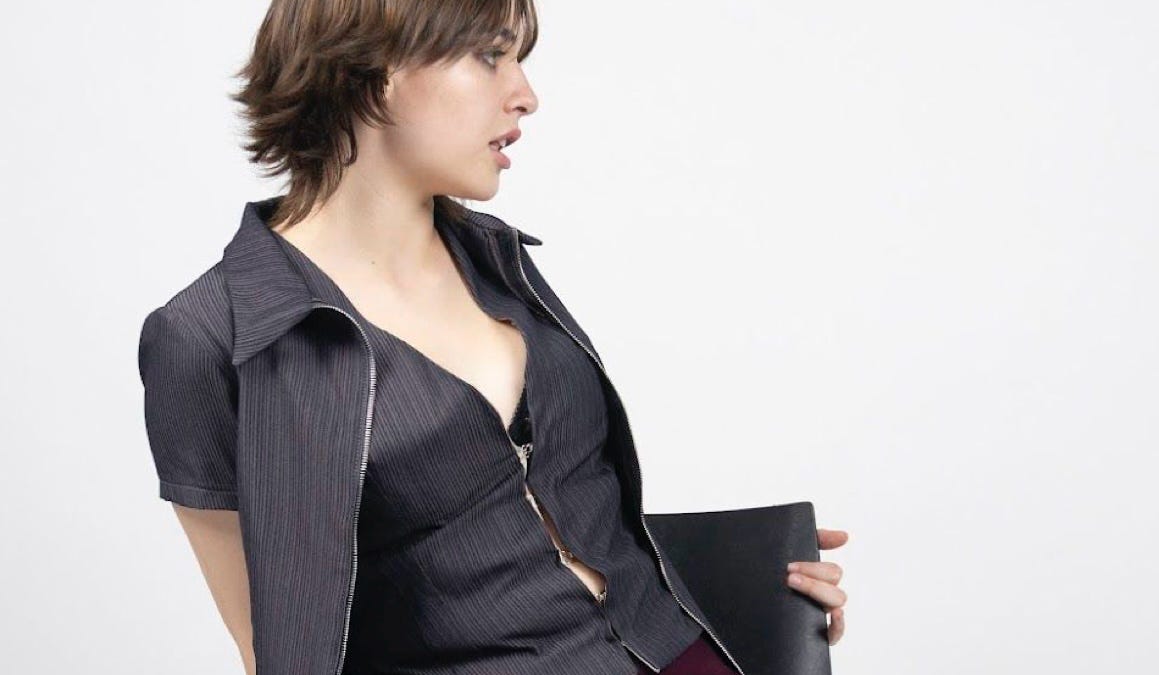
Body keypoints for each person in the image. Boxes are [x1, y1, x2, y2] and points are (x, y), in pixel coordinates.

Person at [135, 2, 848, 674]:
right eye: (488, 56)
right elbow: (277, 643)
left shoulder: (497, 260)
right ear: (371, 69)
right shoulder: (212, 337)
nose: (525, 96)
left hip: (676, 653)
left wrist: (752, 579)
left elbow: (566, 515)